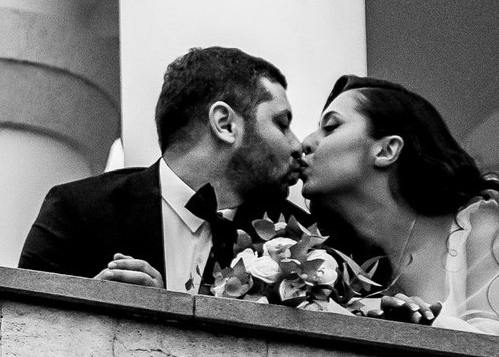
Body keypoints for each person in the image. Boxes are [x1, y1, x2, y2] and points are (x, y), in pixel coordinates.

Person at [299, 74, 499, 341]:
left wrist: (421, 325)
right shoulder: (326, 260)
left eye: (331, 127)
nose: (305, 143)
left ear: (386, 150)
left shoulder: (477, 224)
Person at [20, 46, 306, 292]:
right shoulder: (77, 211)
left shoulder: (297, 239)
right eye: (281, 123)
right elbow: (17, 335)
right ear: (225, 124)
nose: (297, 145)